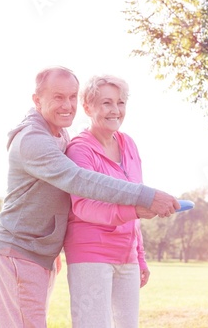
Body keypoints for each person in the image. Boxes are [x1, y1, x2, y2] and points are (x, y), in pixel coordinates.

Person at [0, 66, 179, 328]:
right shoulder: (34, 140)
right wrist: (144, 197)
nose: (67, 105)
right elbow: (78, 181)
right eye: (58, 97)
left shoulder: (58, 132)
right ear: (37, 100)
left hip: (39, 250)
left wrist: (53, 241)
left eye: (71, 97)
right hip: (20, 250)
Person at [64, 74, 155, 327]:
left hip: (127, 255)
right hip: (90, 252)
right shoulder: (79, 149)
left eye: (121, 102)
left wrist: (140, 254)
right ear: (88, 107)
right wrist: (136, 209)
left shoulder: (129, 145)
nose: (115, 110)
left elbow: (133, 199)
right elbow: (83, 206)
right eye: (106, 103)